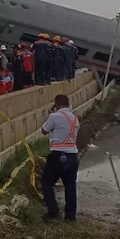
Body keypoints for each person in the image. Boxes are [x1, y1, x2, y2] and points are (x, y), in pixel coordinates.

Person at [41, 94, 80, 222]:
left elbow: (44, 130)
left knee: (46, 182)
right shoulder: (75, 119)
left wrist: (49, 116)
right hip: (73, 156)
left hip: (58, 155)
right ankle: (70, 216)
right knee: (70, 186)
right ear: (68, 105)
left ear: (56, 105)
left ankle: (53, 211)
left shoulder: (54, 116)